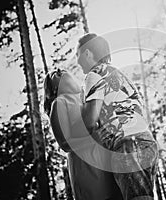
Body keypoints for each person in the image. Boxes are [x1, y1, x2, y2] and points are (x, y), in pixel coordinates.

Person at [77, 33, 159, 200]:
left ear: (86, 53)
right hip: (146, 141)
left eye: (77, 54)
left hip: (126, 144)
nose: (77, 60)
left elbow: (90, 120)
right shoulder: (120, 75)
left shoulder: (93, 75)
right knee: (143, 196)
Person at [44, 69, 123, 200]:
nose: (58, 69)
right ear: (54, 88)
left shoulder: (89, 97)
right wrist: (94, 138)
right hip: (87, 171)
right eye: (54, 75)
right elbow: (64, 144)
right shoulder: (59, 103)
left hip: (108, 164)